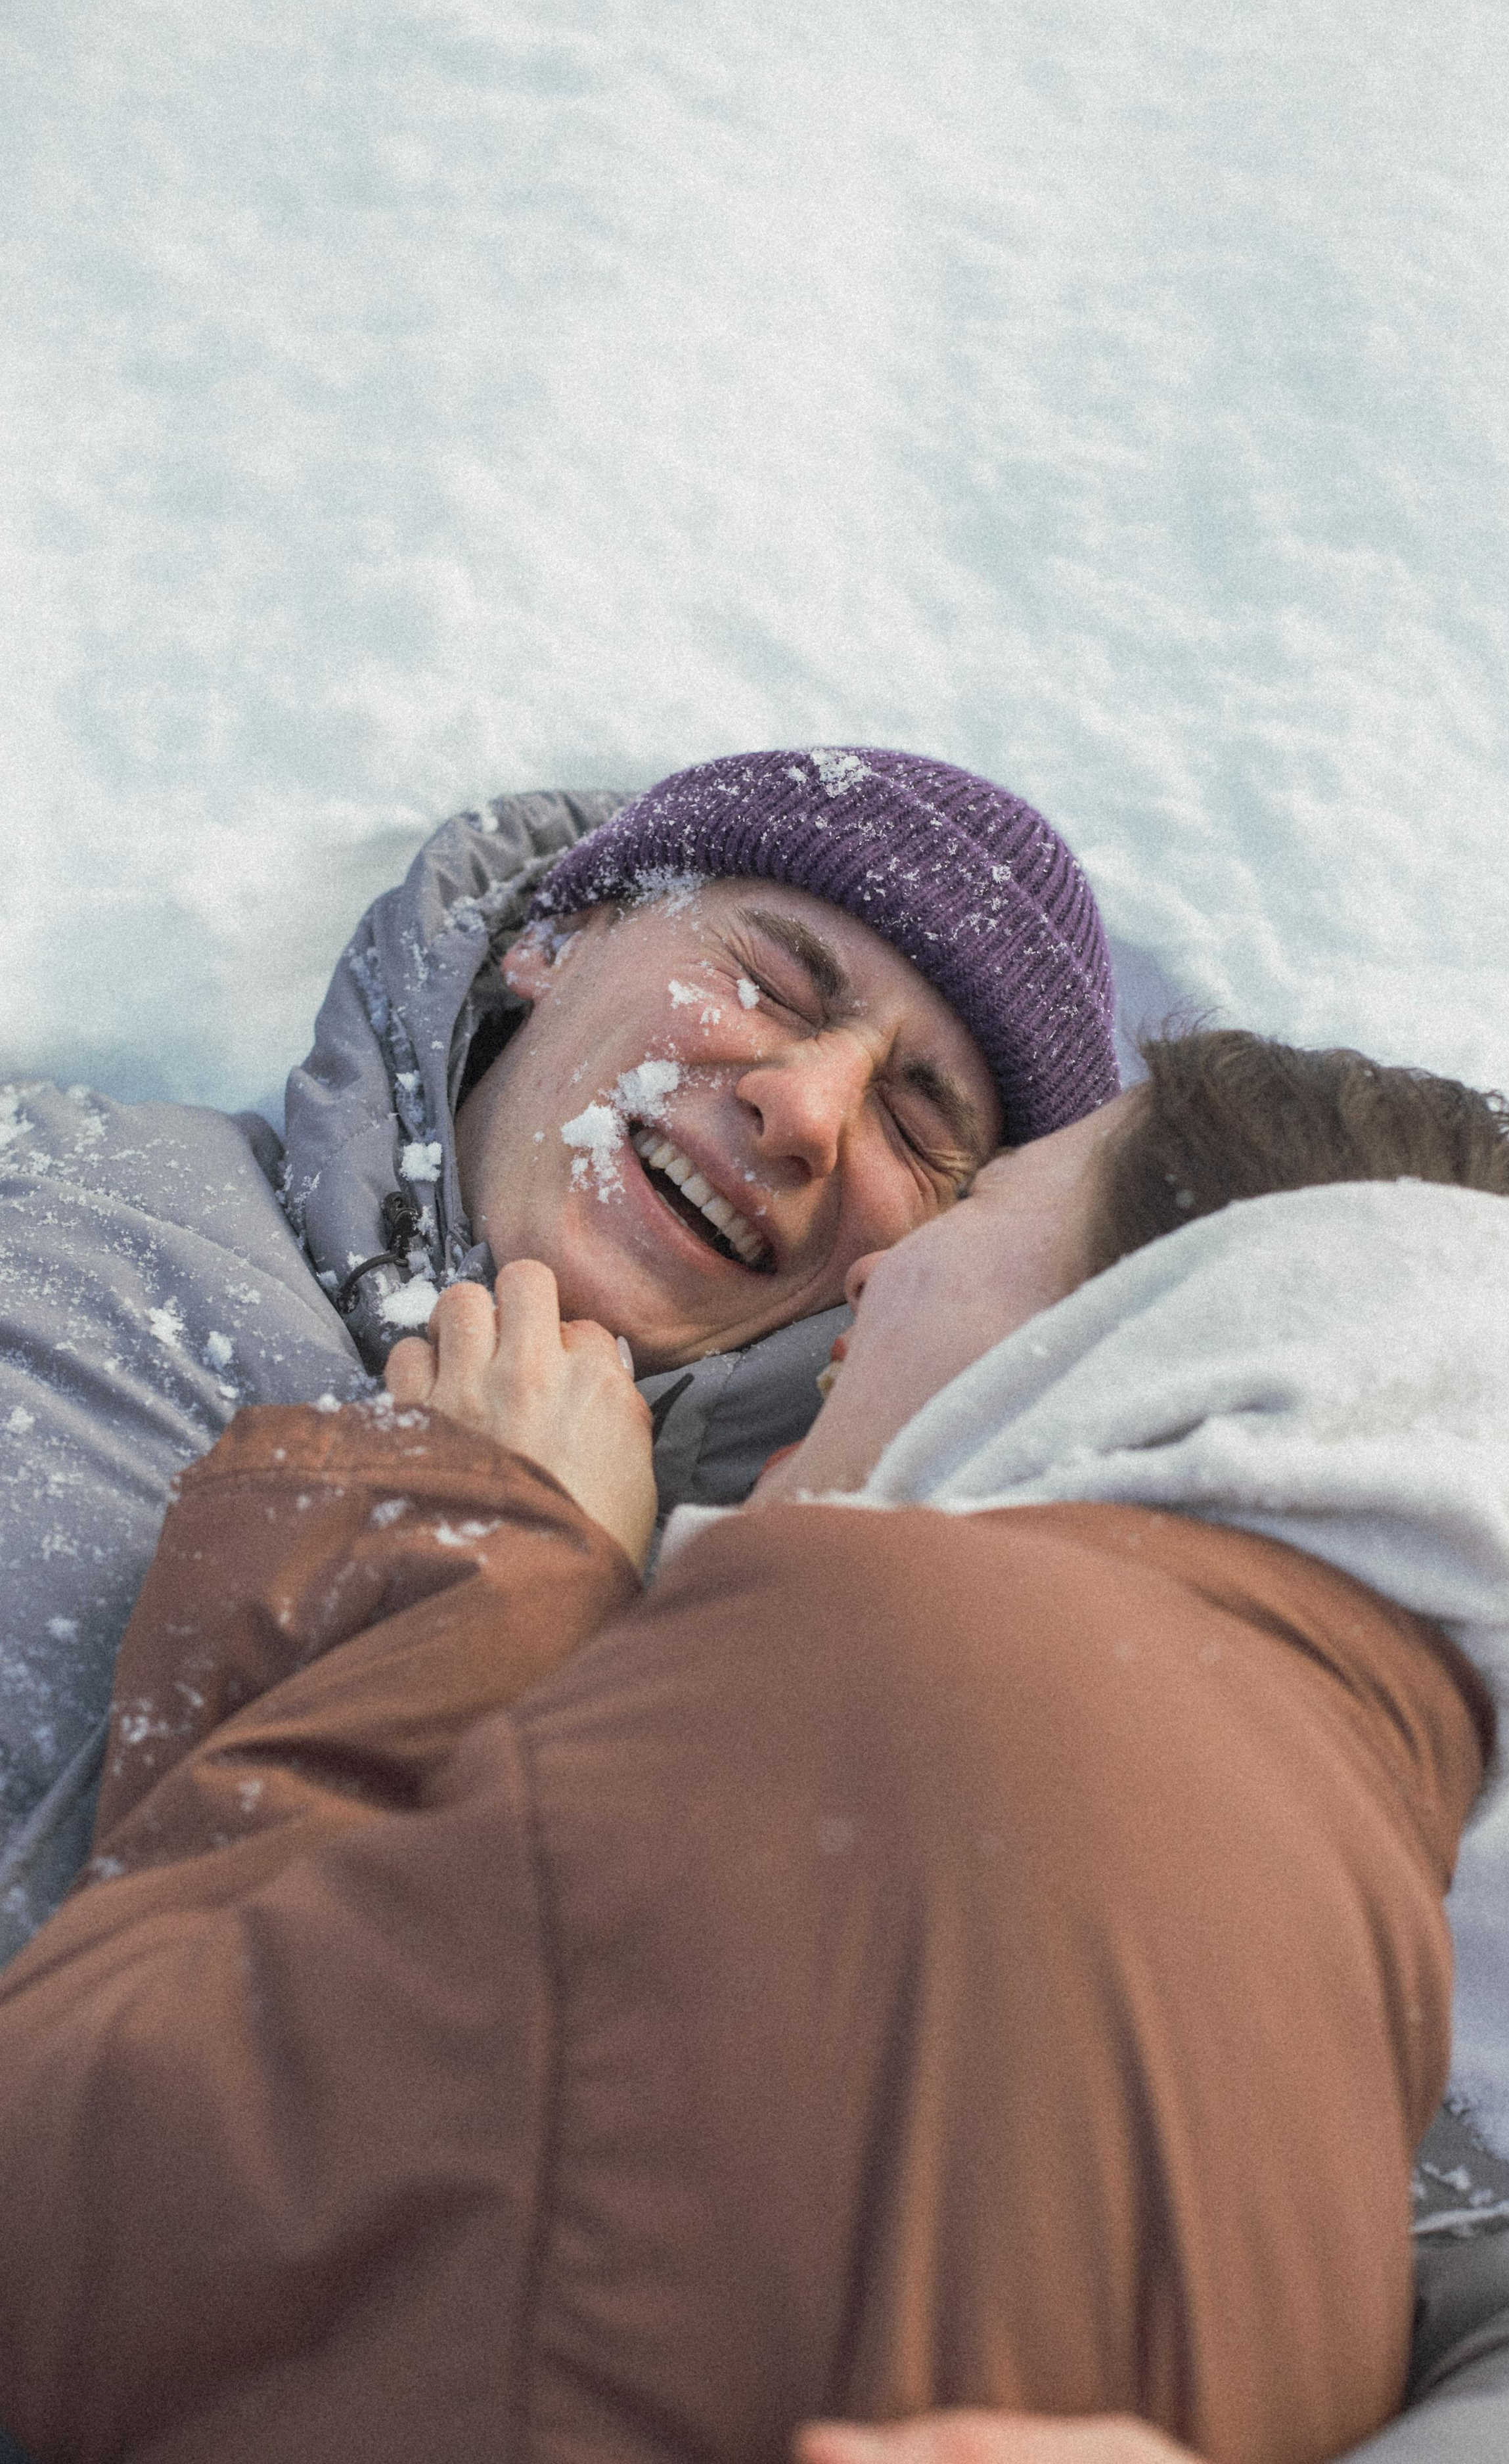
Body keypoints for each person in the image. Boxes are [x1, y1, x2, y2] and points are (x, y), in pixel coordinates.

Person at [1, 1029, 1509, 2464]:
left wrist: (467, 1575)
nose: (872, 1267)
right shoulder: (1354, 1934)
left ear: (1152, 1316)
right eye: (776, 979)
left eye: (971, 1187)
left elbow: (76, 2222)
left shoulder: (903, 1648)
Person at [0, 746, 1120, 1960]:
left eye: (913, 1121)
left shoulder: (785, 1678)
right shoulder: (43, 1188)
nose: (806, 1113)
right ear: (556, 938)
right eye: (777, 986)